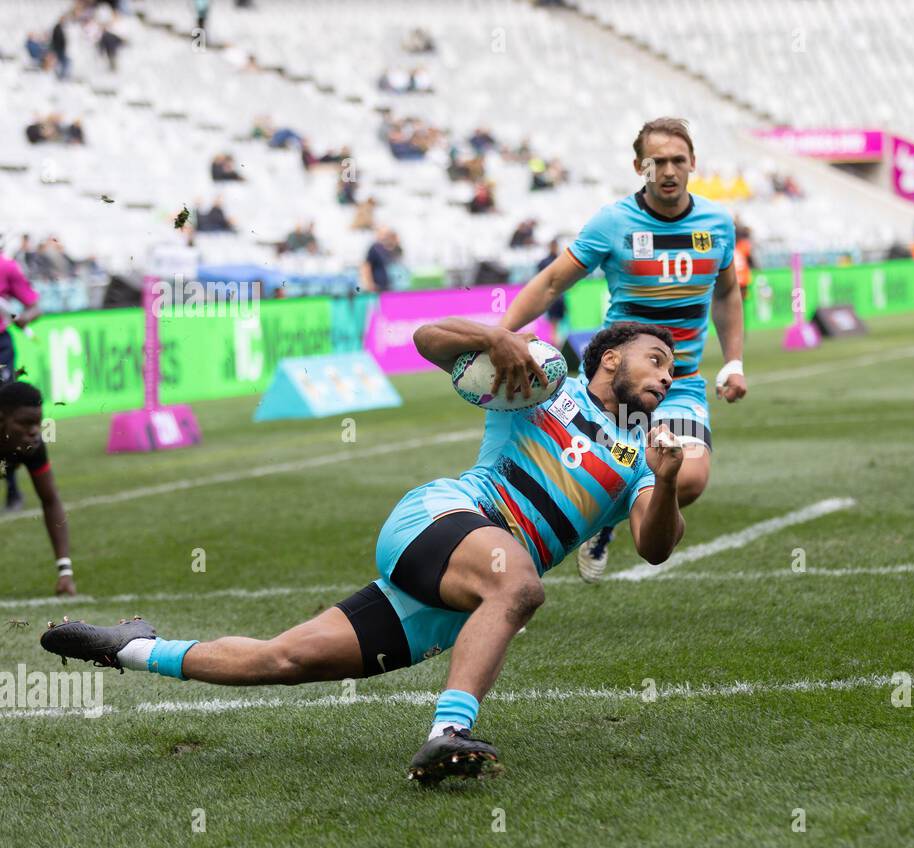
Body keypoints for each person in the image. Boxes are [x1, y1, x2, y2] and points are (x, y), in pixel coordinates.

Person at [41, 323, 685, 783]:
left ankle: (127, 646)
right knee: (520, 586)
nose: (667, 373)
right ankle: (448, 734)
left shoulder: (641, 460)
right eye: (656, 358)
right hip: (443, 521)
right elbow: (429, 342)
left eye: (674, 367)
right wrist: (492, 337)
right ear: (608, 361)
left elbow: (654, 548)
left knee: (285, 658)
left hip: (466, 588)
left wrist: (667, 483)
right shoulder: (541, 382)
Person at [495, 117, 747, 582]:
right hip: (619, 384)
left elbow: (727, 293)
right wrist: (503, 333)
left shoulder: (717, 224)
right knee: (586, 474)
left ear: (693, 163)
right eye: (656, 163)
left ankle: (603, 524)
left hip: (681, 382)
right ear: (639, 167)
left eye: (677, 160)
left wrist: (733, 360)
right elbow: (553, 280)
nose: (668, 171)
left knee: (689, 476)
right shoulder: (614, 222)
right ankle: (520, 564)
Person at [0, 382, 75, 594]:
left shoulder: (34, 446)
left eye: (37, 423)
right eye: (25, 423)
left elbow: (50, 500)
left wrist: (65, 570)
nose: (34, 431)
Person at [0, 251, 43, 511]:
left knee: (4, 416)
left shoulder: (6, 267)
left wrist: (27, 316)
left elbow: (35, 305)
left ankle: (12, 487)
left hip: (0, 347)